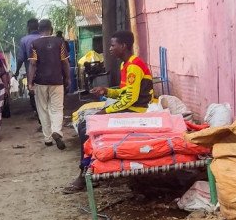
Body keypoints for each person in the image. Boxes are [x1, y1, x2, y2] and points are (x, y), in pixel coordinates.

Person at [63, 29, 155, 192]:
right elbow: (124, 92)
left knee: (88, 127)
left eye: (113, 45)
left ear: (123, 46)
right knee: (86, 125)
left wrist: (106, 112)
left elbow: (130, 99)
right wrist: (106, 91)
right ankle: (88, 169)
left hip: (135, 112)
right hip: (129, 109)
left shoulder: (134, 66)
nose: (110, 48)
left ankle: (85, 174)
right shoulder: (125, 65)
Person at [27, 19, 70, 149]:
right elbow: (65, 63)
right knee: (57, 108)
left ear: (39, 30)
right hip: (57, 80)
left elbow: (33, 64)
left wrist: (30, 82)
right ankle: (56, 130)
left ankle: (47, 138)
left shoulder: (34, 43)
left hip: (40, 82)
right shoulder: (60, 42)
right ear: (51, 29)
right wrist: (68, 78)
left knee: (43, 109)